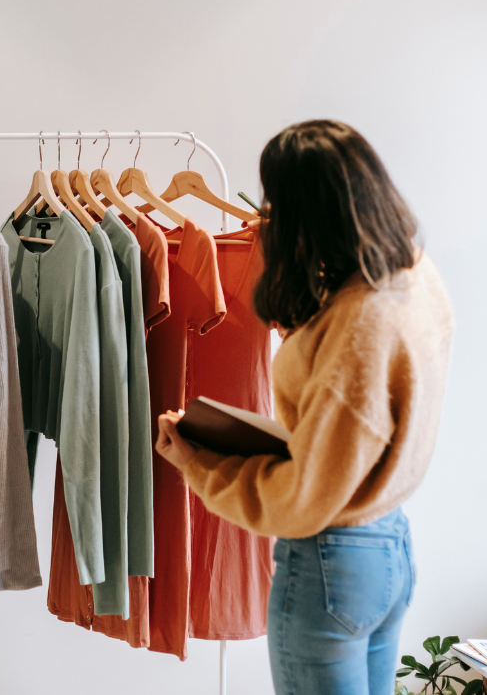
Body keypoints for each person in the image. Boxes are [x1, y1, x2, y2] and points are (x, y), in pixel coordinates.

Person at [155, 120, 455, 695]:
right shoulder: (412, 278)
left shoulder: (356, 327)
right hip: (388, 547)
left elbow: (302, 502)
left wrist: (198, 463)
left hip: (329, 562)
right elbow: (356, 433)